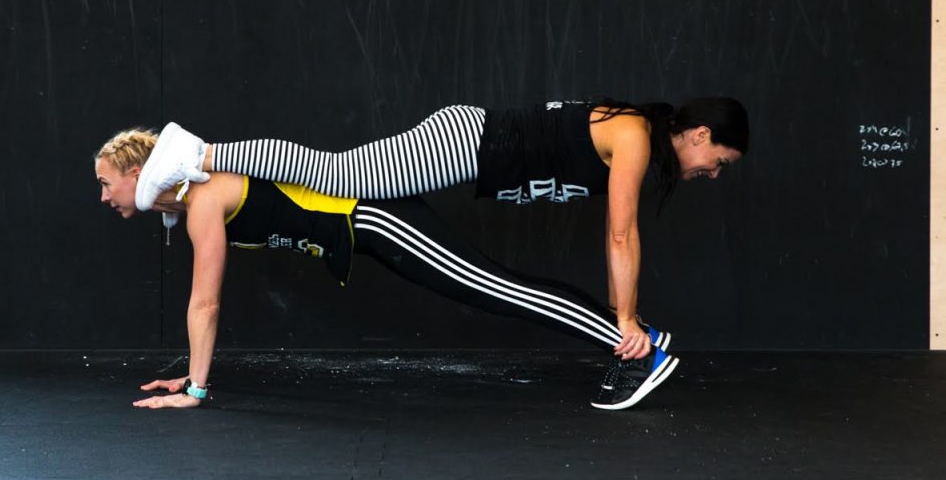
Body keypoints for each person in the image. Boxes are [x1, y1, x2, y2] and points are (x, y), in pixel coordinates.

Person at [95, 128, 684, 411]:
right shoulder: (193, 202)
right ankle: (637, 339)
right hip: (373, 230)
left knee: (494, 288)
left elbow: (205, 302)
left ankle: (639, 349)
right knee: (495, 285)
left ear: (137, 174)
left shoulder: (203, 198)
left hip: (377, 219)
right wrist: (191, 379)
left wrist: (196, 390)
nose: (103, 197)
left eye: (105, 183)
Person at [134, 98, 749, 361]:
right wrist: (627, 320)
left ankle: (190, 163)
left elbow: (618, 236)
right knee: (335, 173)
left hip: (468, 141)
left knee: (334, 173)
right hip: (467, 141)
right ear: (700, 135)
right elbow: (620, 235)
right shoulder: (636, 134)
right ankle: (197, 153)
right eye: (717, 161)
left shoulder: (637, 135)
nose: (712, 173)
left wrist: (625, 316)